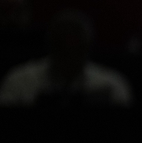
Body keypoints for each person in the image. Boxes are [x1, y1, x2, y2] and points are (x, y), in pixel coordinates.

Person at [0, 9, 130, 108]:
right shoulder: (19, 82)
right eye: (62, 45)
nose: (69, 50)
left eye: (76, 46)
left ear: (88, 47)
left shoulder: (111, 85)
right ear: (50, 45)